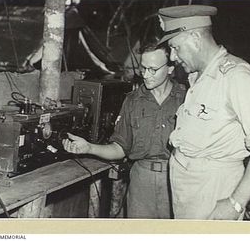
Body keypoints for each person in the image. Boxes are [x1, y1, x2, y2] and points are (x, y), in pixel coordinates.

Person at [157, 4, 250, 220]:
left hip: (214, 192)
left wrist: (236, 203)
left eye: (175, 47)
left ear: (195, 38)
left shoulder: (235, 75)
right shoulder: (198, 78)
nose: (172, 57)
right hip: (187, 192)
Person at [62, 42, 185, 218]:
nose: (146, 75)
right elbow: (120, 148)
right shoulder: (133, 101)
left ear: (170, 68)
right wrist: (89, 147)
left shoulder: (187, 97)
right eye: (143, 69)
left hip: (179, 179)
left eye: (153, 69)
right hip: (142, 182)